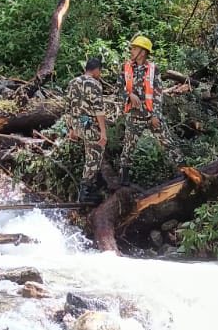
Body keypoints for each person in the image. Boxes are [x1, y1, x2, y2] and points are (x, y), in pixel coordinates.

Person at [120, 34, 170, 183]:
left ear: (143, 52)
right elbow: (118, 89)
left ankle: (183, 171)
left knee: (169, 144)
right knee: (128, 149)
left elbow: (158, 94)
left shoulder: (154, 69)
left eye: (134, 48)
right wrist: (129, 95)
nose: (132, 51)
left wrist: (156, 115)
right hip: (134, 116)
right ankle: (123, 181)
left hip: (151, 116)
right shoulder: (126, 68)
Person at [63, 56, 109, 205]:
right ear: (96, 70)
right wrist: (103, 132)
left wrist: (71, 129)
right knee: (95, 154)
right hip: (88, 122)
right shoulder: (94, 84)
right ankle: (86, 192)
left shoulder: (72, 82)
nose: (99, 74)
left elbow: (67, 108)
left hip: (77, 122)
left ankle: (94, 184)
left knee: (90, 151)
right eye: (100, 71)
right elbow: (98, 110)